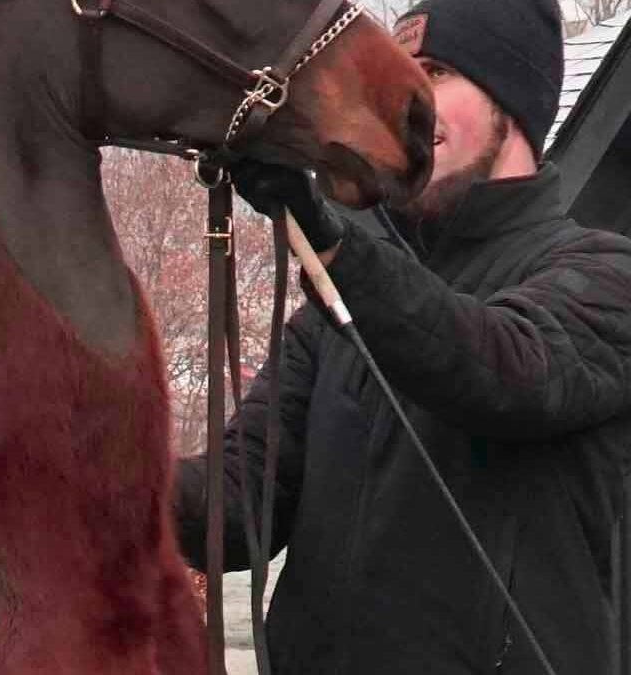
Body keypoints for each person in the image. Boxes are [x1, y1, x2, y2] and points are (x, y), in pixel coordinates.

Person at [173, 0, 631, 672]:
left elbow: (502, 366)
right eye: (399, 70)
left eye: (437, 72)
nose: (406, 94)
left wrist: (331, 239)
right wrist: (100, 465)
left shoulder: (607, 273)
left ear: (516, 106)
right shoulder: (334, 307)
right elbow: (241, 504)